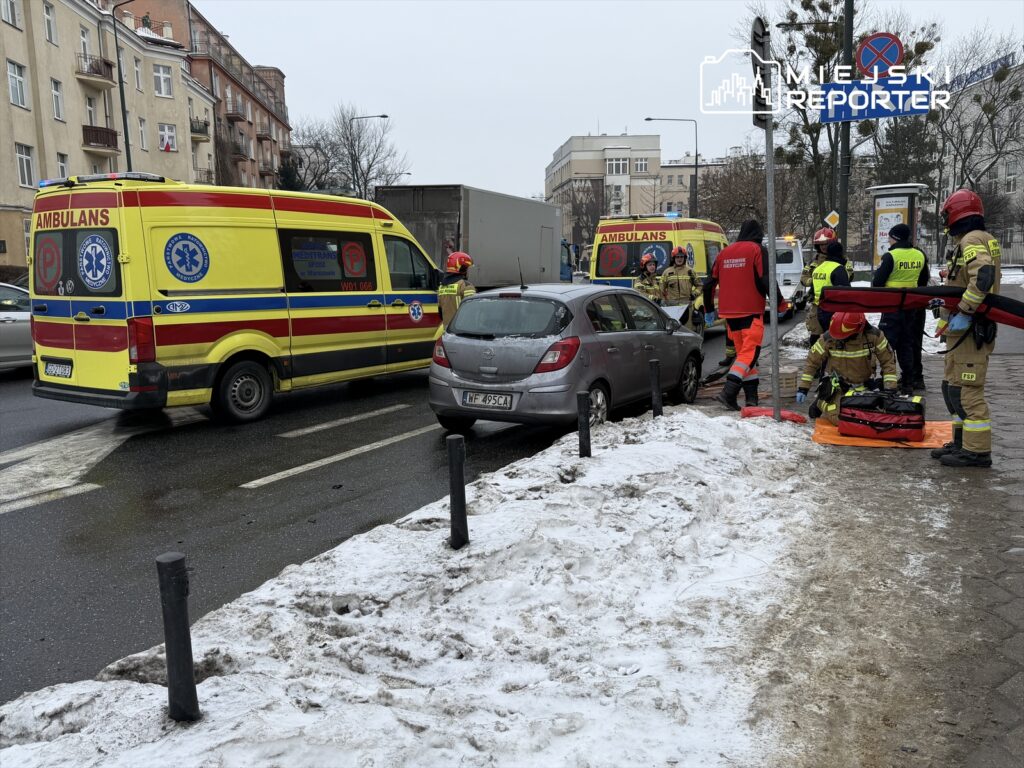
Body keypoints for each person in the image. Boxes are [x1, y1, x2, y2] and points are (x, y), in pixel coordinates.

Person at [931, 189, 1002, 468]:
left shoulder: (971, 239)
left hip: (972, 329)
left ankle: (977, 452)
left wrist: (965, 310)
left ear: (956, 214)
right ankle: (962, 443)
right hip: (962, 332)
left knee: (967, 391)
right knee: (952, 387)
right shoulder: (979, 239)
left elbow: (983, 275)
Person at [702, 219, 787, 409]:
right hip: (750, 311)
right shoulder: (757, 250)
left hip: (730, 316)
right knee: (750, 354)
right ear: (758, 234)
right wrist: (780, 303)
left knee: (745, 357)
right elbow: (766, 279)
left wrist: (708, 309)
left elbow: (708, 285)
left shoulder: (724, 253)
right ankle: (728, 392)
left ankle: (751, 399)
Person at [796, 311, 898, 423]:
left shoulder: (874, 336)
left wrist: (890, 388)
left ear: (858, 329)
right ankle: (822, 402)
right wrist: (804, 388)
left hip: (865, 385)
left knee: (872, 417)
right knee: (841, 419)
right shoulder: (829, 338)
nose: (839, 339)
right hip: (838, 387)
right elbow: (812, 361)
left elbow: (888, 361)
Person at [872, 223, 929, 394]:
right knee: (907, 344)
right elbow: (923, 281)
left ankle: (887, 380)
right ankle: (908, 382)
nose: (889, 241)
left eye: (890, 237)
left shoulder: (890, 256)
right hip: (911, 308)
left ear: (895, 238)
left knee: (888, 345)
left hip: (892, 307)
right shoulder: (919, 255)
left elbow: (877, 282)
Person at [811, 240, 852, 335]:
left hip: (819, 309)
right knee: (835, 338)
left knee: (824, 338)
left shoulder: (818, 268)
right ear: (840, 253)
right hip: (833, 311)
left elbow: (813, 290)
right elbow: (846, 293)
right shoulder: (838, 268)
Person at [661, 246, 703, 331]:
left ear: (685, 258)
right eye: (677, 257)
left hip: (687, 307)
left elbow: (700, 285)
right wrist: (664, 302)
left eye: (681, 257)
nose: (679, 259)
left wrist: (694, 294)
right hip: (672, 307)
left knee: (687, 331)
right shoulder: (666, 272)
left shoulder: (690, 272)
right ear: (674, 258)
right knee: (673, 331)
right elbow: (661, 289)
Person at [438, 251, 475, 327]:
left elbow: (440, 312)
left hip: (447, 329)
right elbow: (472, 310)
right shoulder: (466, 286)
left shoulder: (441, 286)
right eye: (467, 268)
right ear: (462, 268)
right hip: (463, 329)